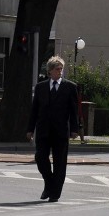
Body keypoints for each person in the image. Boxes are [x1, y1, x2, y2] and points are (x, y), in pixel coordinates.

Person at [27, 56, 80, 202]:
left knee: (59, 163)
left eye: (61, 69)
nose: (60, 71)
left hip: (61, 131)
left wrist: (75, 129)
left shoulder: (70, 87)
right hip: (43, 130)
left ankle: (55, 193)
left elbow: (74, 110)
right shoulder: (41, 87)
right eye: (57, 69)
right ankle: (49, 184)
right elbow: (35, 110)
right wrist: (30, 129)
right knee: (40, 158)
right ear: (50, 71)